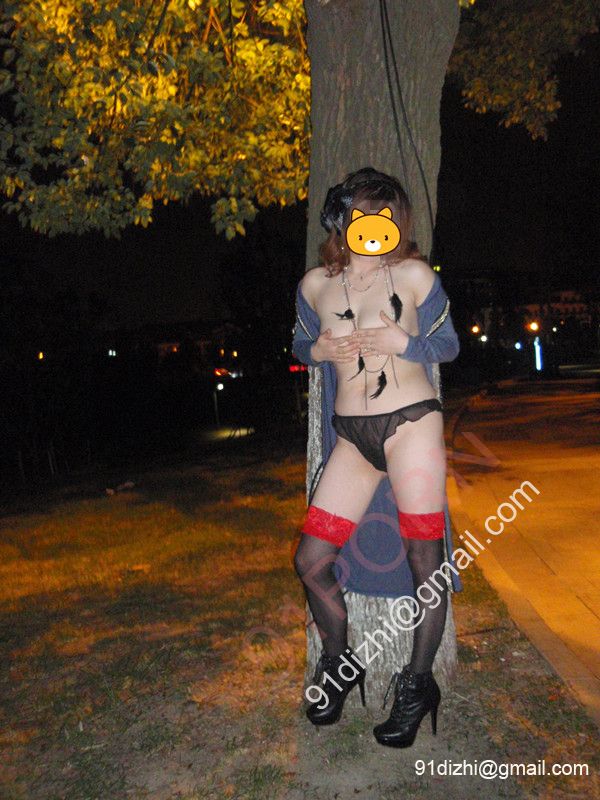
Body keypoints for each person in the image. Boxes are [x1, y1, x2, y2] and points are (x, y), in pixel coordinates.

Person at [292, 167, 461, 748]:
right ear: (341, 219)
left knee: (425, 562)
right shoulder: (315, 285)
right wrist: (317, 350)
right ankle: (340, 665)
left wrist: (403, 343)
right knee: (311, 560)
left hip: (411, 425)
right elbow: (300, 344)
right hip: (352, 439)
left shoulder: (413, 274)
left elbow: (448, 344)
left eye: (387, 217)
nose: (375, 226)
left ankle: (418, 686)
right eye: (364, 214)